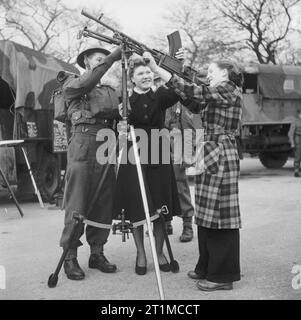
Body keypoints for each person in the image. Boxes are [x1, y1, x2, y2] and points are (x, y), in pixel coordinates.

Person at [144, 51, 243, 291]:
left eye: (212, 70)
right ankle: (206, 266)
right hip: (211, 149)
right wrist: (174, 82)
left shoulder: (228, 89)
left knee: (221, 213)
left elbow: (197, 93)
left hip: (219, 150)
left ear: (226, 73)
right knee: (207, 211)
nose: (207, 74)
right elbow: (194, 103)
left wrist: (160, 72)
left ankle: (222, 276)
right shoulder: (218, 92)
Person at [113, 58, 182, 275]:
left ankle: (159, 252)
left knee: (161, 205)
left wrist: (175, 63)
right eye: (140, 74)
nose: (146, 76)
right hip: (134, 153)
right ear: (131, 79)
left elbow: (178, 88)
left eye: (147, 73)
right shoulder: (125, 100)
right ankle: (141, 253)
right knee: (137, 205)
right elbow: (119, 128)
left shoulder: (161, 95)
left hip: (158, 153)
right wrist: (121, 122)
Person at [59, 46, 122, 281]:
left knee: (103, 200)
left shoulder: (109, 90)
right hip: (82, 143)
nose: (102, 59)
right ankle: (70, 256)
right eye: (97, 57)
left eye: (104, 56)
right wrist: (112, 57)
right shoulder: (73, 83)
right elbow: (88, 81)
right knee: (77, 201)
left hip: (106, 144)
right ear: (85, 61)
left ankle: (97, 252)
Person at [164, 100, 196, 242]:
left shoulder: (179, 102)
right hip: (156, 145)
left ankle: (187, 224)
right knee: (161, 187)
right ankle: (165, 223)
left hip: (176, 146)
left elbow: (188, 127)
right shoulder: (156, 96)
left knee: (180, 187)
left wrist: (187, 153)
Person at [288, 109, 301, 177]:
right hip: (298, 140)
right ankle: (296, 170)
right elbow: (290, 133)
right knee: (297, 156)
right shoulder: (295, 122)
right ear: (299, 114)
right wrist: (292, 143)